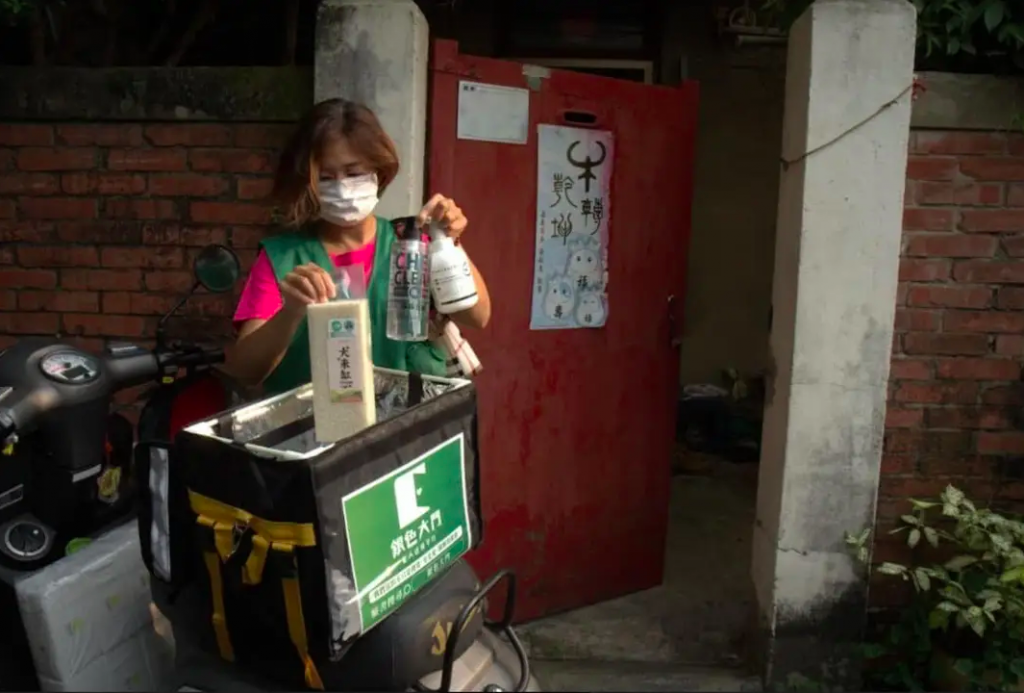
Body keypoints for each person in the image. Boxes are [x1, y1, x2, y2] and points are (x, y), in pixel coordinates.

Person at [224, 99, 492, 394]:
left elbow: (477, 316)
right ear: (307, 182)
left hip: (398, 417)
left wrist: (448, 241)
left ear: (379, 171)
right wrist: (291, 312)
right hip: (309, 420)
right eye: (326, 178)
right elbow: (246, 371)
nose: (342, 188)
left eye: (353, 173)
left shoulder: (411, 246)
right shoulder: (283, 258)